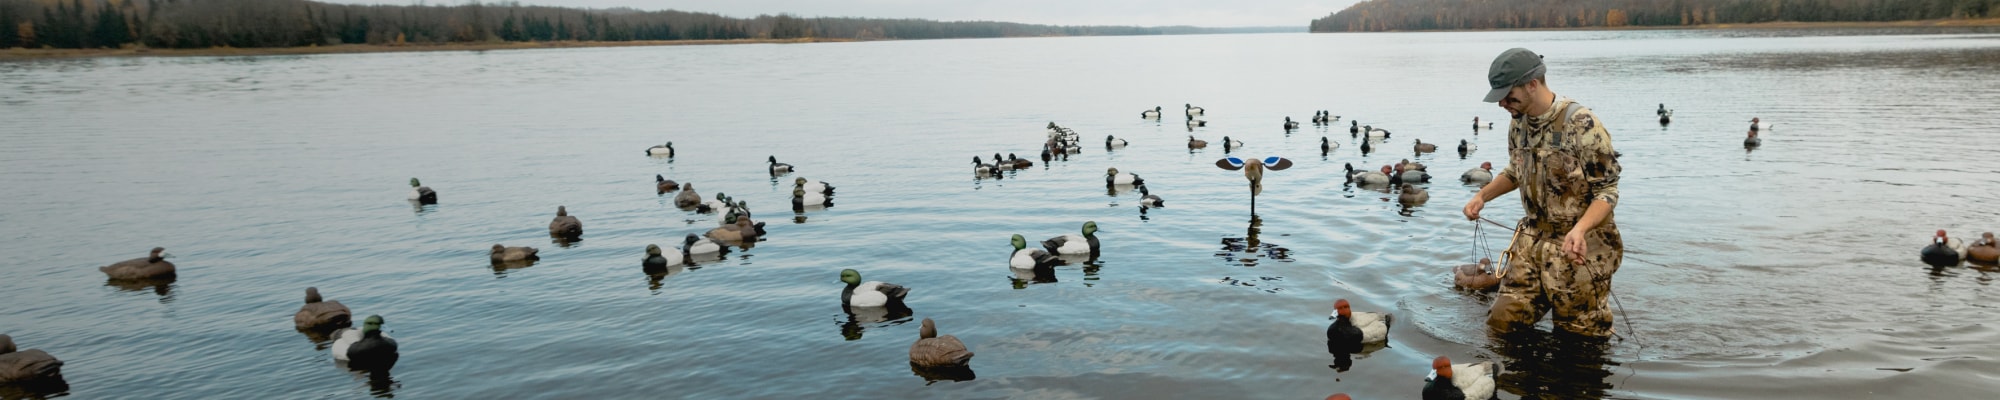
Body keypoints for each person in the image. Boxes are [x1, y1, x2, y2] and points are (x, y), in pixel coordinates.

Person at [1463, 48, 1625, 339]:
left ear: (1532, 85)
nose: (1502, 103)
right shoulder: (1518, 123)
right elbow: (1515, 171)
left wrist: (1580, 229)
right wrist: (1482, 196)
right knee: (1501, 324)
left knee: (1579, 339)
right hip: (1532, 243)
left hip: (1579, 249)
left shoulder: (1582, 124)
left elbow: (1607, 191)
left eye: (1508, 95)